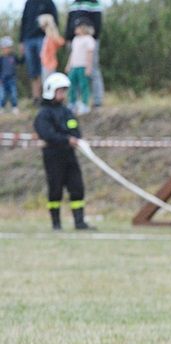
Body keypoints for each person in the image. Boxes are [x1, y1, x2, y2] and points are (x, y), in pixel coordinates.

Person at [33, 72, 94, 231]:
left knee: (77, 187)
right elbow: (47, 134)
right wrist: (66, 139)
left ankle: (79, 222)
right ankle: (56, 223)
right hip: (53, 156)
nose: (63, 94)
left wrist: (74, 138)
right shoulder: (44, 114)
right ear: (51, 91)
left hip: (69, 155)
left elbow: (75, 128)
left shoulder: (66, 111)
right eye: (60, 91)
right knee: (55, 189)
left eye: (64, 91)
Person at [65, 1, 104, 108]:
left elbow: (98, 24)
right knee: (74, 78)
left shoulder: (94, 3)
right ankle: (75, 102)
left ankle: (96, 100)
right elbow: (69, 22)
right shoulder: (73, 4)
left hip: (89, 44)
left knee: (93, 71)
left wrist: (91, 39)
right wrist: (68, 37)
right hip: (75, 42)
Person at [19, 0, 58, 104]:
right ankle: (36, 97)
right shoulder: (29, 2)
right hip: (28, 39)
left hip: (43, 38)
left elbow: (55, 20)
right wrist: (21, 41)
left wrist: (52, 36)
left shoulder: (48, 2)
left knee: (45, 68)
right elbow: (24, 21)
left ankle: (48, 96)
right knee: (33, 70)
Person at [64, 19, 95, 115]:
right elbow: (72, 53)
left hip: (83, 66)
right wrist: (68, 65)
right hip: (74, 66)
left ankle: (84, 104)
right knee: (71, 84)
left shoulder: (89, 39)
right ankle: (72, 103)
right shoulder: (75, 39)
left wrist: (89, 67)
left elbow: (90, 54)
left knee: (83, 85)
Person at [38, 13, 65, 84]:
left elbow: (60, 42)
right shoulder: (47, 37)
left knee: (49, 82)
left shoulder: (51, 38)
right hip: (45, 63)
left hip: (49, 64)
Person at [1, 36, 23, 115]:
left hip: (12, 79)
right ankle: (1, 107)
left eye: (8, 47)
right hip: (3, 80)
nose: (7, 49)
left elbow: (21, 62)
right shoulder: (1, 59)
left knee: (13, 94)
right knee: (2, 95)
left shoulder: (14, 57)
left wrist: (22, 53)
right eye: (5, 47)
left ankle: (15, 107)